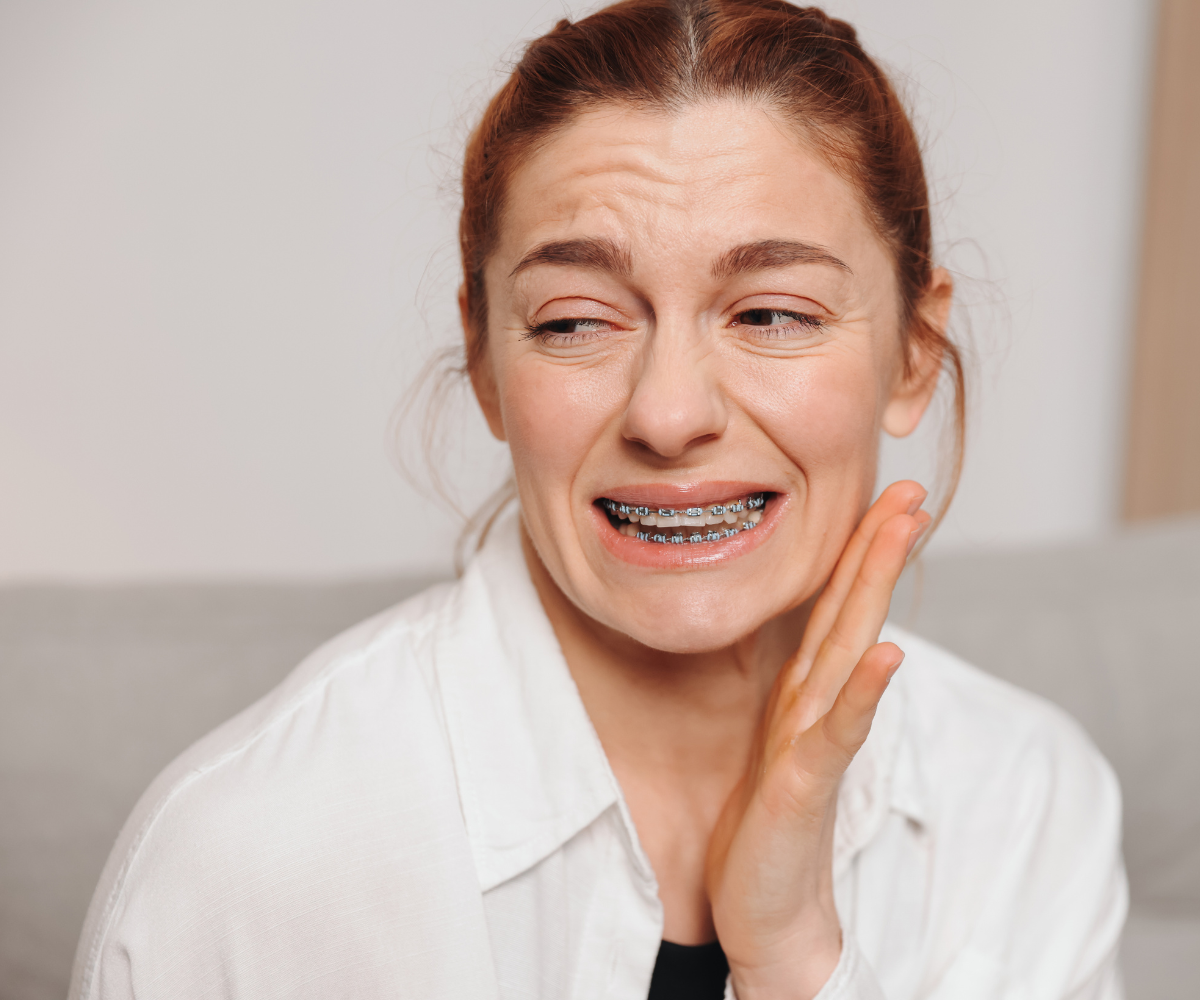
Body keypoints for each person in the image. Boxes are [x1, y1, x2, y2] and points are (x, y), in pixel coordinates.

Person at [69, 2, 1127, 998]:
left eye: (769, 312)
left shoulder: (1027, 804)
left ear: (913, 354)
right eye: (576, 322)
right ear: (485, 360)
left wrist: (796, 955)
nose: (668, 414)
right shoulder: (247, 855)